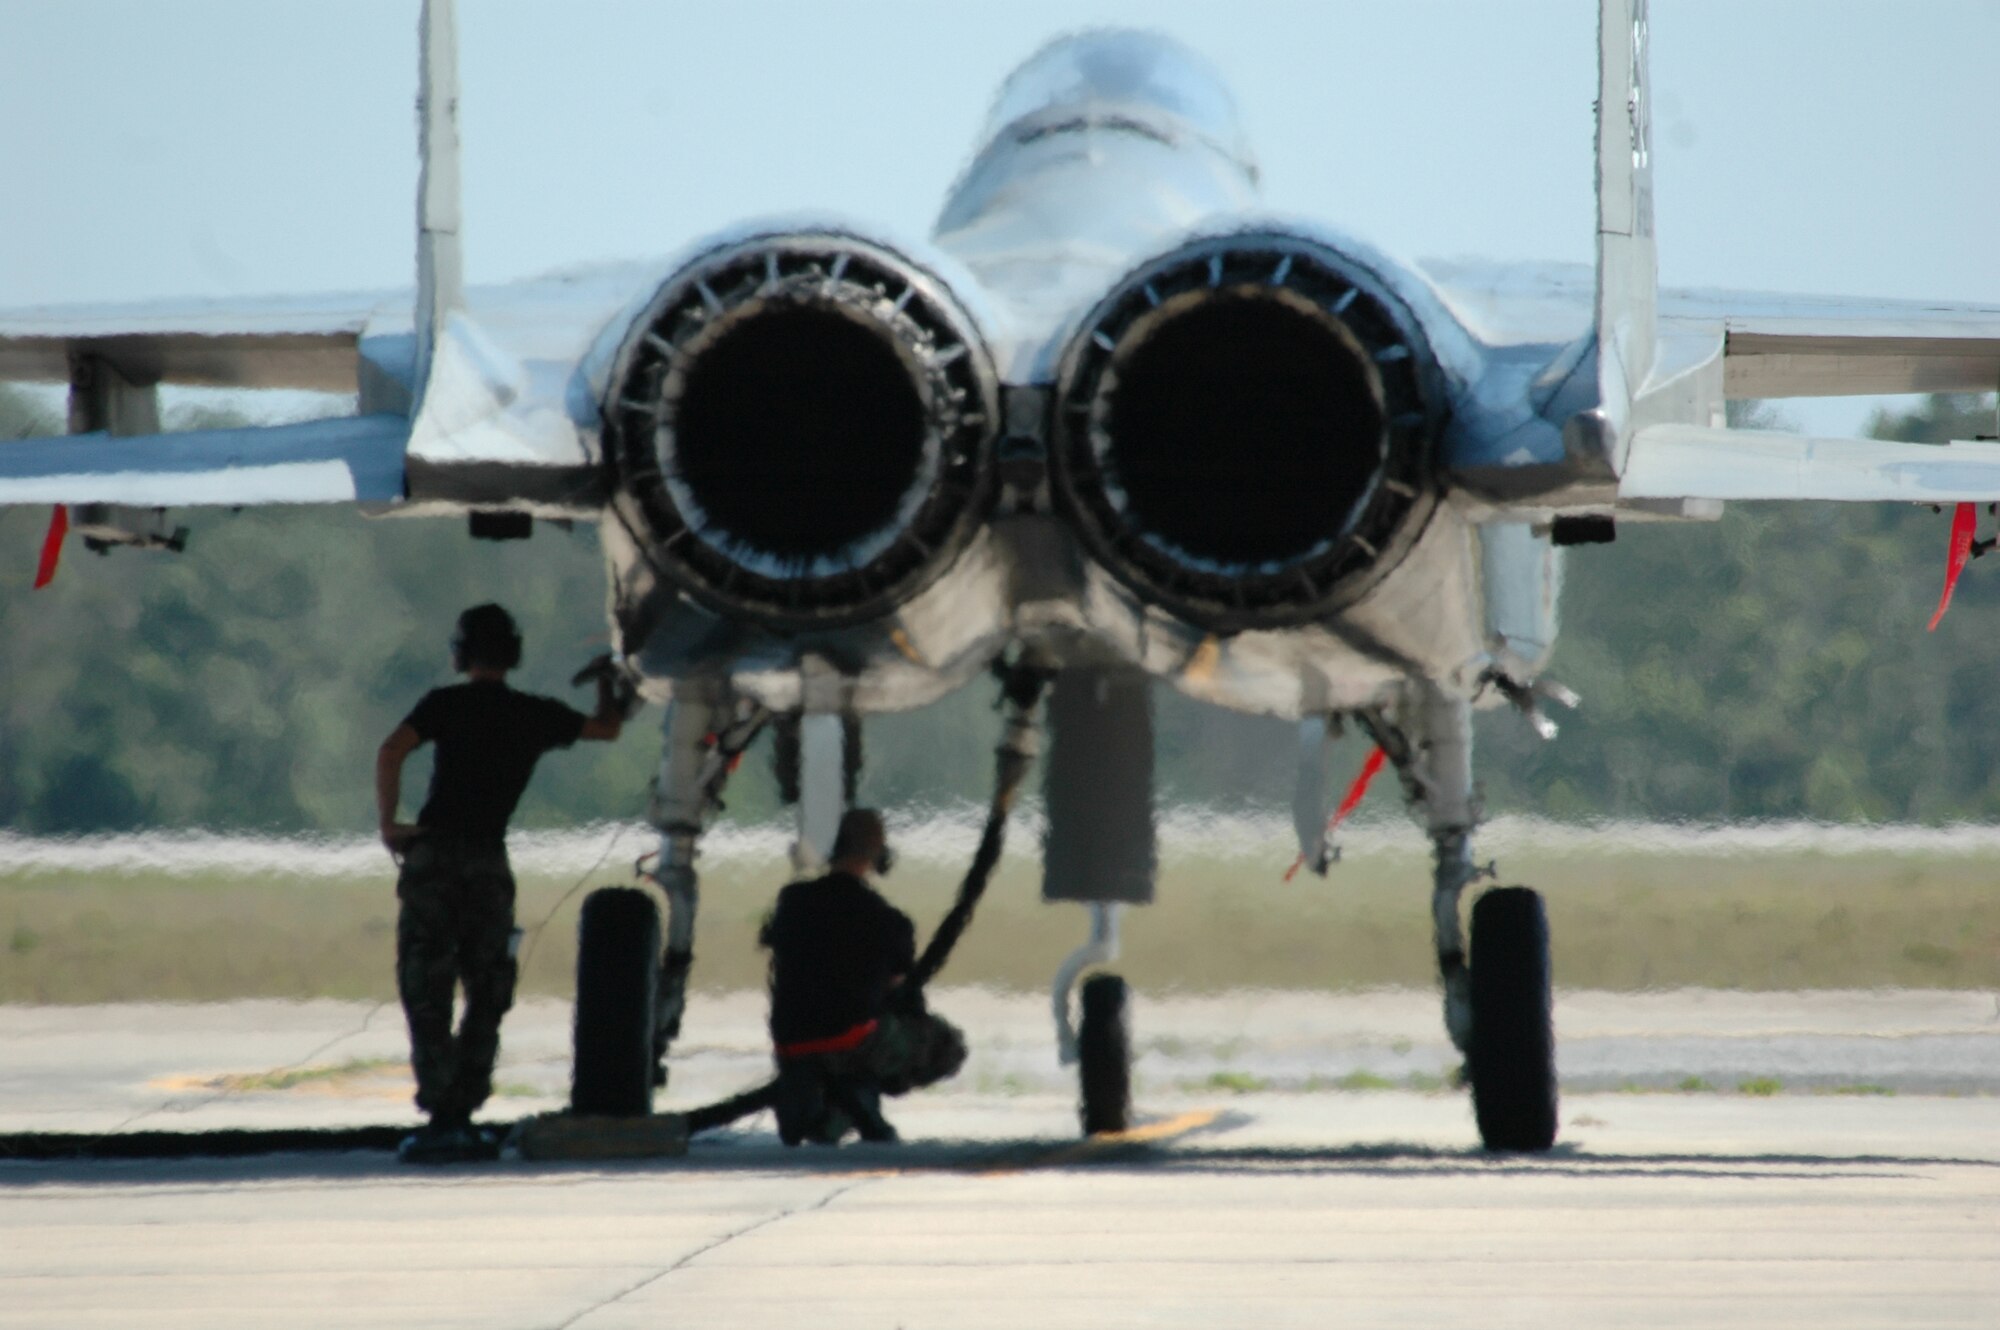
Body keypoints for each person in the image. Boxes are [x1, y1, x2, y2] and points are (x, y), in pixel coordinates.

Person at [376, 603, 628, 1160]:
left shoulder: (444, 705)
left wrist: (390, 824)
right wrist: (611, 683)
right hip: (488, 863)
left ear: (461, 655)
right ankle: (466, 1104)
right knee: (487, 987)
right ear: (513, 655)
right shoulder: (533, 714)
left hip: (434, 857)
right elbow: (607, 729)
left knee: (427, 985)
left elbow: (391, 750)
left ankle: (441, 1110)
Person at [759, 808, 967, 1145]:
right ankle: (857, 1093)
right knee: (947, 1045)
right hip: (853, 1043)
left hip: (791, 1042)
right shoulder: (889, 921)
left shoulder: (792, 902)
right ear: (878, 855)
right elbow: (904, 996)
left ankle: (836, 1106)